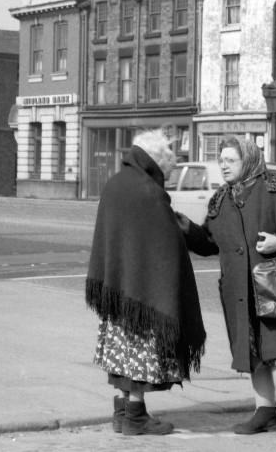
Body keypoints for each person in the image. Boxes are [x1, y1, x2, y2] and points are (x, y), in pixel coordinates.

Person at [180, 136, 276, 438]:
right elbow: (208, 243)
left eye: (231, 160)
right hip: (238, 291)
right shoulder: (220, 198)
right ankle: (263, 411)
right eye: (222, 160)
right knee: (252, 353)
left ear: (248, 160)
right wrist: (186, 228)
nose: (224, 165)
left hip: (275, 287)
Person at [85, 129, 206, 436]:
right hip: (142, 293)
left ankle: (123, 411)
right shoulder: (148, 191)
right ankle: (136, 415)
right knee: (139, 353)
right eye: (166, 167)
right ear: (155, 161)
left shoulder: (116, 183)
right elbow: (164, 246)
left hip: (120, 291)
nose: (165, 174)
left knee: (120, 351)